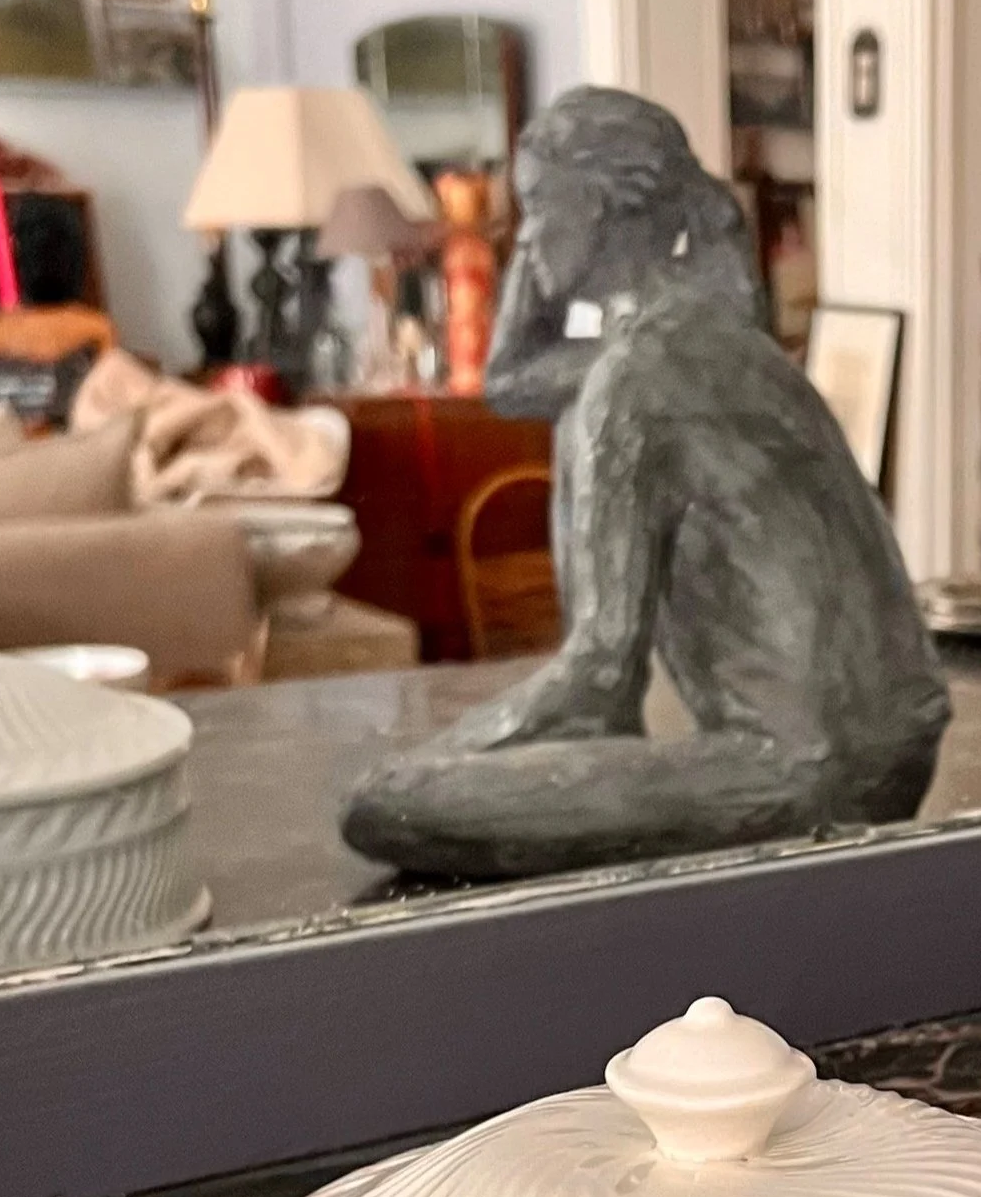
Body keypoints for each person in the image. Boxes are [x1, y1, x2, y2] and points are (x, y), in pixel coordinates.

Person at [343, 90, 949, 880]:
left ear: (595, 209)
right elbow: (512, 383)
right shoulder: (724, 345)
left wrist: (428, 761)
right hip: (896, 756)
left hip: (797, 773)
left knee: (383, 804)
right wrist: (540, 267)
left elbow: (600, 672)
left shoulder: (631, 383)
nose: (526, 240)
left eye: (538, 210)